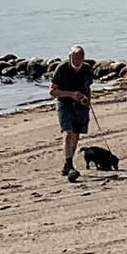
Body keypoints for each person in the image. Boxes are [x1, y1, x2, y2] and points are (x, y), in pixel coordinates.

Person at [49, 45, 95, 180]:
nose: (77, 62)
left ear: (83, 58)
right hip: (64, 103)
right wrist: (72, 94)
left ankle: (67, 165)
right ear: (70, 57)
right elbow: (52, 91)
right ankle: (69, 165)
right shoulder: (62, 68)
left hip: (80, 106)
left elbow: (88, 87)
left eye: (80, 59)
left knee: (75, 134)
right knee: (67, 133)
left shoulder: (86, 69)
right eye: (75, 59)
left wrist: (87, 101)